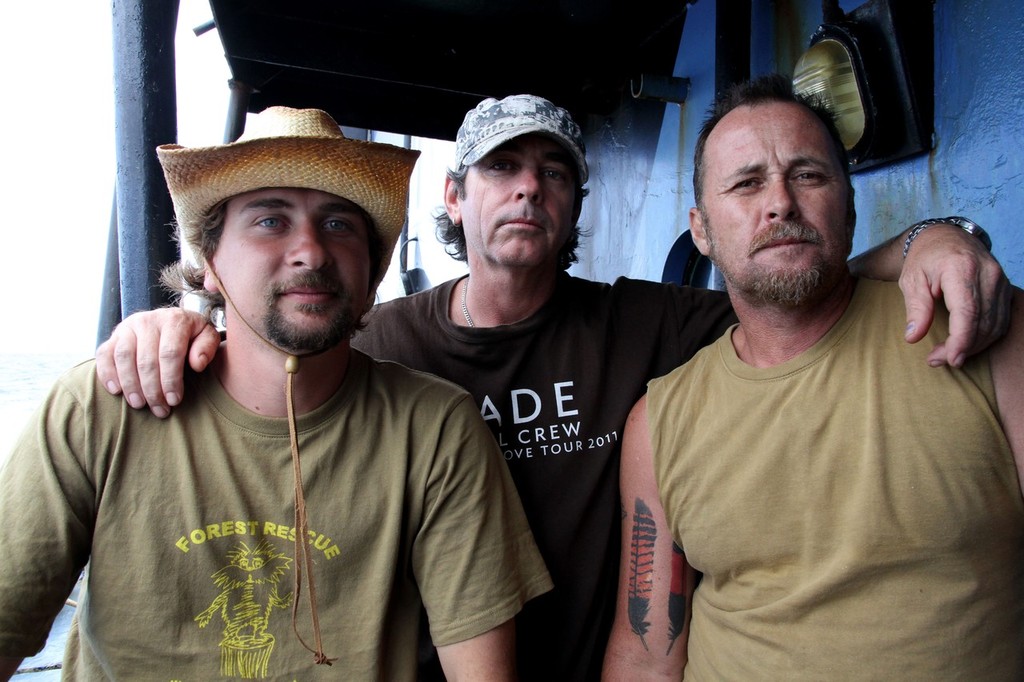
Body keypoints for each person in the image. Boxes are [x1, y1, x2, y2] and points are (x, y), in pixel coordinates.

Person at [93, 95, 1010, 681]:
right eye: (500, 169)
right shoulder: (383, 343)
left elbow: (788, 283)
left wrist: (933, 238)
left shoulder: (648, 328)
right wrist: (179, 326)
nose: (527, 190)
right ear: (454, 198)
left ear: (576, 206)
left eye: (554, 173)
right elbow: (274, 359)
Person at [0, 106, 553, 680]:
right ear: (209, 262)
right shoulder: (100, 410)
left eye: (339, 224)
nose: (311, 252)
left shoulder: (435, 429)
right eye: (270, 220)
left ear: (371, 274)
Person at [602, 74, 1024, 679]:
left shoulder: (980, 327)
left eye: (808, 175)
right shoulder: (658, 423)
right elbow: (647, 653)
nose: (779, 202)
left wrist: (935, 235)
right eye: (746, 184)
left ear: (849, 208)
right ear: (701, 231)